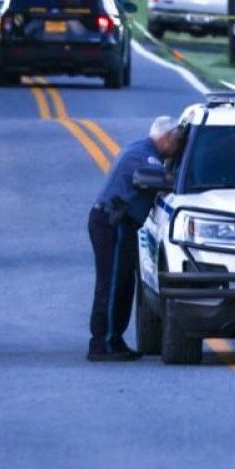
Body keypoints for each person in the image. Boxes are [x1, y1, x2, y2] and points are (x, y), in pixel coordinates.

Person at [88, 116, 186, 361]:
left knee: (123, 283)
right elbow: (163, 179)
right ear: (165, 138)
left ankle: (115, 339)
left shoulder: (143, 150)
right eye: (178, 142)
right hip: (113, 222)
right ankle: (102, 343)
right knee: (111, 284)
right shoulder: (143, 155)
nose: (179, 148)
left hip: (120, 223)